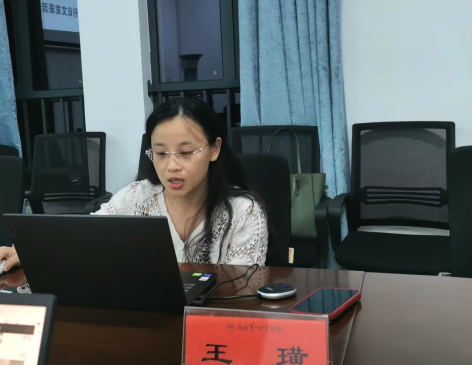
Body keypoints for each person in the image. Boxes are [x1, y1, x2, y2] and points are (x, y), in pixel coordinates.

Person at [0, 97, 270, 271]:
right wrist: (33, 249)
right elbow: (85, 234)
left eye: (186, 152)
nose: (171, 166)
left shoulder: (243, 213)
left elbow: (241, 291)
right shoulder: (137, 197)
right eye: (161, 153)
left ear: (214, 149)